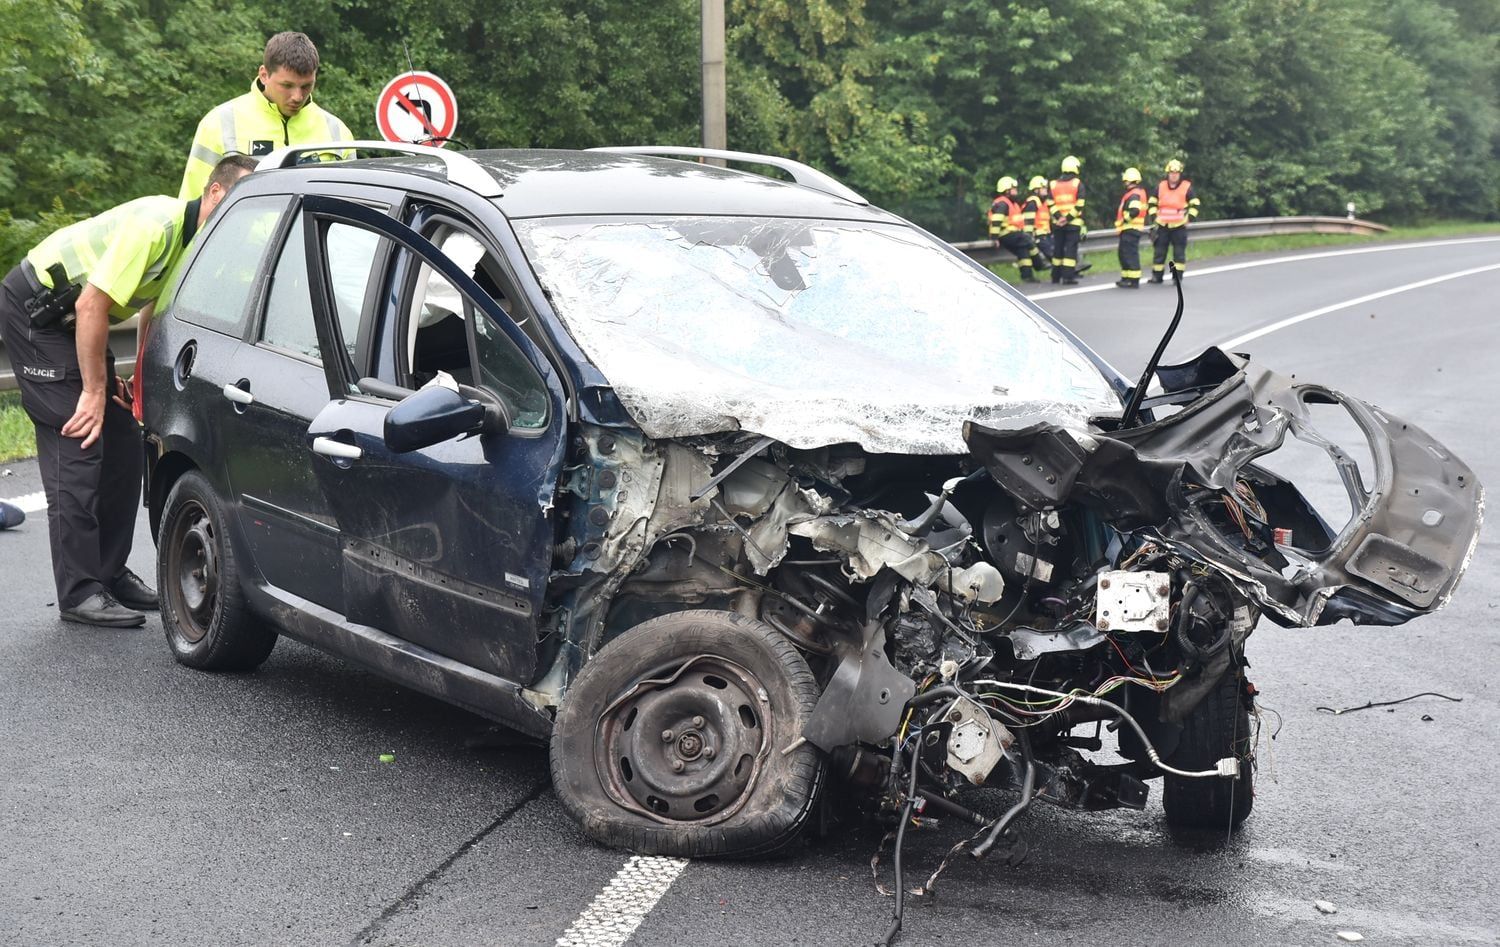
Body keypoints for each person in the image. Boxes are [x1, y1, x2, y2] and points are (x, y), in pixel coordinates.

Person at [0, 155, 258, 627]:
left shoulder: (194, 243)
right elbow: (92, 302)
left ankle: (108, 572)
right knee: (79, 435)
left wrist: (136, 381)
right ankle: (79, 593)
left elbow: (149, 311)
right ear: (216, 193)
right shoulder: (156, 226)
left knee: (122, 436)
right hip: (37, 314)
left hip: (76, 322)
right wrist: (93, 390)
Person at [179, 31, 352, 199]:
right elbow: (195, 203)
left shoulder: (338, 132)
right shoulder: (219, 123)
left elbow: (352, 206)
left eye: (306, 86)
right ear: (264, 75)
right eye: (287, 85)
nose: (297, 96)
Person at [1147, 158, 1200, 283]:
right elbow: (1152, 202)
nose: (1174, 175)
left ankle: (1177, 277)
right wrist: (1154, 217)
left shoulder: (1186, 187)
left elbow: (1195, 204)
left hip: (1179, 226)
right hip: (1162, 225)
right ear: (1168, 173)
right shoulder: (1161, 186)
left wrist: (1189, 218)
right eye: (1171, 173)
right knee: (1159, 252)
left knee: (1179, 254)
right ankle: (1157, 276)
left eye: (1176, 173)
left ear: (1180, 174)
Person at [988, 177, 1049, 281]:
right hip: (1005, 234)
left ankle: (1027, 276)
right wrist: (994, 238)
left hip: (1013, 233)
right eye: (1014, 189)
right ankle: (1039, 264)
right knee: (1027, 240)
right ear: (1007, 190)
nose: (1016, 191)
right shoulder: (1003, 203)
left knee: (1023, 250)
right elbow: (996, 221)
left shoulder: (1013, 204)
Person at [1049, 155, 1086, 285]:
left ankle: (1055, 276)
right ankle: (1068, 277)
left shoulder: (1053, 184)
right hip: (1073, 223)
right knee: (1070, 249)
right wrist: (1068, 218)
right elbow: (1080, 204)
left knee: (1057, 249)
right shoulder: (1077, 183)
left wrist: (1059, 217)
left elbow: (1050, 204)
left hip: (1057, 223)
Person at [1114, 167, 1149, 289]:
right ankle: (1126, 278)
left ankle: (1133, 280)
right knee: (1124, 253)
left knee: (1129, 254)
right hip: (1131, 229)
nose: (1124, 183)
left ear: (1129, 180)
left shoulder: (1134, 194)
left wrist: (1125, 218)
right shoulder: (1136, 193)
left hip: (1131, 228)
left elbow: (1135, 211)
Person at [1023, 176, 1054, 268]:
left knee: (1056, 255)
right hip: (1038, 236)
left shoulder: (1043, 202)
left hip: (1046, 234)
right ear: (1036, 190)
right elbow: (1028, 223)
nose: (1046, 190)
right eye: (1043, 188)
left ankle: (1064, 273)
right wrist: (1030, 237)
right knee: (1052, 255)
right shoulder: (1032, 202)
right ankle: (1066, 273)